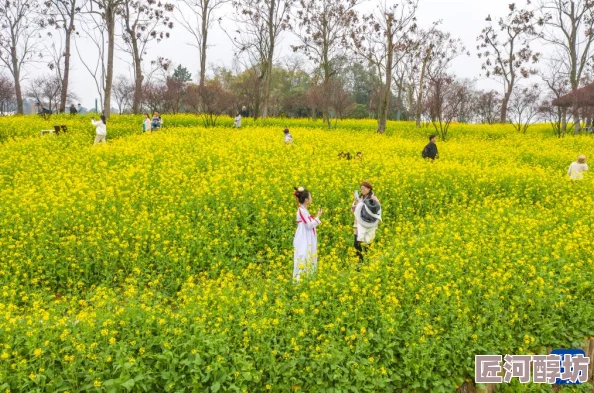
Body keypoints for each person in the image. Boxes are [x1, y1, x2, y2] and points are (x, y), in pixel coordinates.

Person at [293, 186, 322, 282]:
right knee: (303, 256)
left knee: (308, 256)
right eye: (310, 197)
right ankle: (299, 282)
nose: (311, 198)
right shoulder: (301, 211)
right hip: (303, 238)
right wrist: (318, 217)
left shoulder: (304, 210)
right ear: (306, 200)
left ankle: (308, 280)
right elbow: (308, 225)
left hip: (306, 237)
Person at [351, 181, 381, 263]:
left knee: (368, 244)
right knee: (356, 244)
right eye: (361, 189)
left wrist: (364, 205)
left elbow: (377, 210)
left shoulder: (373, 198)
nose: (362, 190)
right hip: (358, 224)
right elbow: (353, 211)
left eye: (364, 189)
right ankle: (360, 263)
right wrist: (356, 203)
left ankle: (370, 262)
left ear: (369, 189)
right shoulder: (360, 198)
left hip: (368, 225)